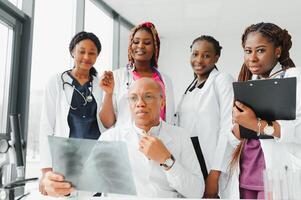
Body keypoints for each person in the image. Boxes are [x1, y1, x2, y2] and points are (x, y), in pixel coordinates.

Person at [42, 78, 204, 198]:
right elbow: (85, 189)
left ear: (162, 102)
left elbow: (196, 192)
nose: (140, 103)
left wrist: (167, 161)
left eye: (148, 96)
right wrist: (62, 187)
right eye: (134, 98)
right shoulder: (111, 138)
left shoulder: (180, 136)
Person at [230, 22, 301, 199]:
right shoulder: (246, 83)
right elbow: (232, 137)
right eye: (248, 51)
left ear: (277, 51)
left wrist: (256, 124)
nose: (252, 58)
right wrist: (238, 127)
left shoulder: (294, 77)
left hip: (277, 173)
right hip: (246, 172)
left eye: (260, 50)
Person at [39, 31, 106, 196]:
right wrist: (46, 171)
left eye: (92, 53)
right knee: (68, 194)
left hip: (95, 161)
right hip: (67, 161)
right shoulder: (56, 81)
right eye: (81, 51)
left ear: (97, 56)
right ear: (72, 52)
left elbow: (107, 123)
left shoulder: (101, 85)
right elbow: (46, 125)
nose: (86, 56)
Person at [174, 35, 235, 198]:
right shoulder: (189, 88)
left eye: (206, 55)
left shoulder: (222, 80)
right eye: (195, 54)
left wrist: (215, 174)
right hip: (190, 159)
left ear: (216, 57)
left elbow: (228, 128)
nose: (199, 60)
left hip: (212, 161)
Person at [99, 22, 175, 128]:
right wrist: (108, 93)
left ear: (155, 48)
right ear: (130, 45)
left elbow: (169, 118)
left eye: (147, 43)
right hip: (127, 141)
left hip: (159, 140)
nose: (140, 46)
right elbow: (107, 123)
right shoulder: (117, 77)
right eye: (136, 42)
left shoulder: (165, 80)